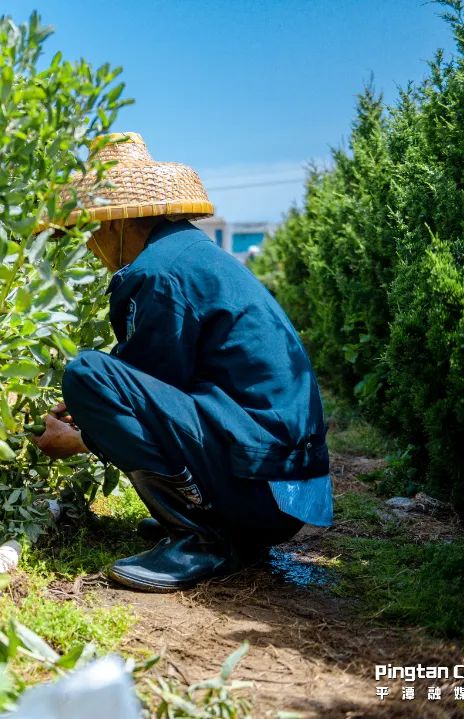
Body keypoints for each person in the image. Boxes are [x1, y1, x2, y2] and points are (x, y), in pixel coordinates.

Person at [33, 133, 332, 592]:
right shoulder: (188, 254)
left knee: (86, 374)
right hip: (288, 492)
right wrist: (93, 413)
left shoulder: (157, 271)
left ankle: (202, 538)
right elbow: (157, 385)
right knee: (99, 381)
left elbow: (137, 397)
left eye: (90, 230)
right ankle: (222, 527)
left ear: (117, 222)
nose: (89, 247)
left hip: (264, 489)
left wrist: (78, 438)